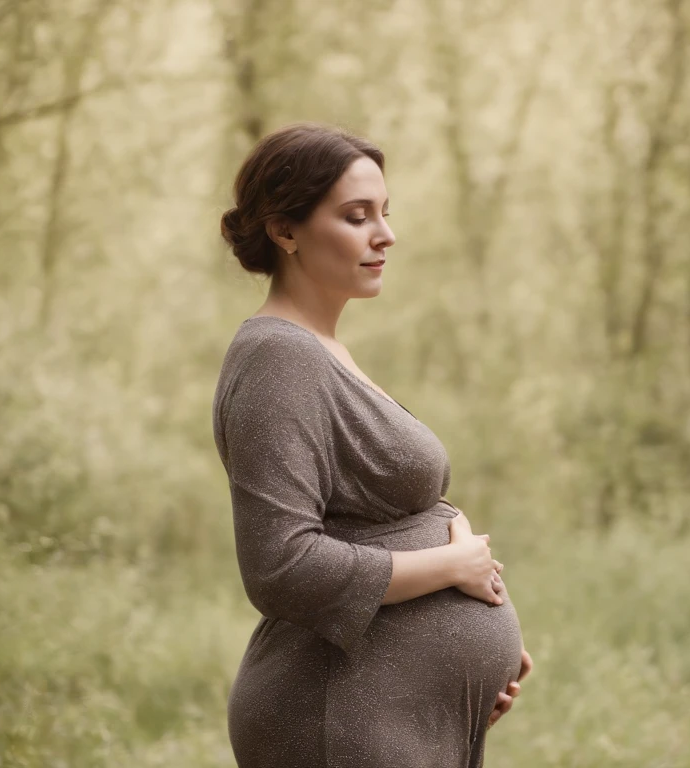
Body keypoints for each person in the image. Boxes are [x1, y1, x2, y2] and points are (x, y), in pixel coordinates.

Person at [212, 121, 532, 768]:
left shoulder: (322, 351)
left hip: (386, 713)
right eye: (357, 217)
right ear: (285, 230)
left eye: (385, 213)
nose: (385, 235)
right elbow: (281, 565)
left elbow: (370, 524)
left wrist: (457, 682)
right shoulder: (278, 358)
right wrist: (452, 568)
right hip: (336, 715)